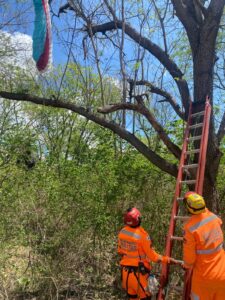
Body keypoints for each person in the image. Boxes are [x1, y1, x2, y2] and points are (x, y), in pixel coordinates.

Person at [118, 207, 178, 300]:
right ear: (138, 219)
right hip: (139, 277)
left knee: (132, 297)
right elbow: (153, 257)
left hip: (126, 276)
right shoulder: (142, 235)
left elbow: (120, 251)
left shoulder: (122, 232)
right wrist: (168, 260)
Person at [182, 191, 225, 299]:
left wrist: (186, 265)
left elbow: (190, 259)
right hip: (222, 272)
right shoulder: (214, 218)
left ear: (189, 208)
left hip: (205, 277)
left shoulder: (190, 228)